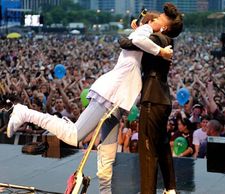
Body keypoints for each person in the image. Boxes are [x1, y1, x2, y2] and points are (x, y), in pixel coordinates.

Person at [7, 12, 173, 194]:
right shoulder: (145, 31)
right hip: (111, 94)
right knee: (74, 135)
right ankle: (24, 112)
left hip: (118, 100)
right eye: (157, 19)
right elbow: (138, 40)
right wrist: (161, 51)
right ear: (150, 22)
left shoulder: (147, 34)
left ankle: (105, 191)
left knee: (108, 152)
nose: (159, 22)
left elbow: (135, 42)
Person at [119, 3, 183, 194]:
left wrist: (139, 31)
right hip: (162, 98)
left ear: (164, 27)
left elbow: (125, 42)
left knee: (147, 150)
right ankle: (170, 187)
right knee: (162, 144)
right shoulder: (166, 40)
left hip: (152, 98)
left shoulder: (157, 38)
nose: (154, 20)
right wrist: (140, 30)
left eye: (159, 19)